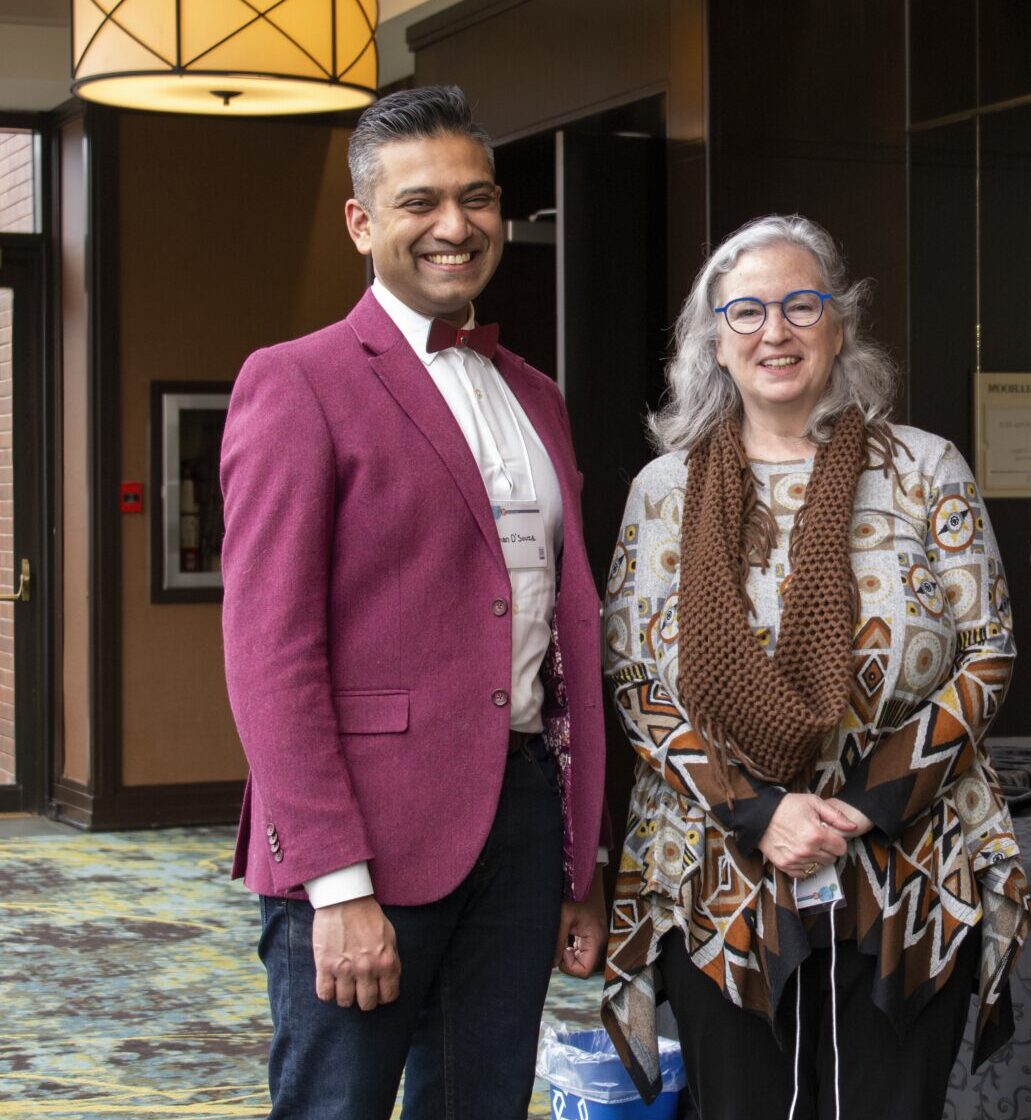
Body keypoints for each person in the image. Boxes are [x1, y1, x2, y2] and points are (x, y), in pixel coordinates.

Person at [220, 85, 609, 1119]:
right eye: (420, 201)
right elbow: (271, 654)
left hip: (520, 823)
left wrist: (577, 855)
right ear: (362, 221)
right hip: (363, 842)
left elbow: (560, 642)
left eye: (476, 198)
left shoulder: (536, 394)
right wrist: (336, 886)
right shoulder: (294, 382)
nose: (455, 225)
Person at [598, 214, 1031, 1119]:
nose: (776, 331)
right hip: (720, 873)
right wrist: (761, 812)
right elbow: (636, 680)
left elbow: (988, 652)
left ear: (840, 328)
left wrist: (861, 805)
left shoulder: (924, 469)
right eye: (748, 311)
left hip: (907, 861)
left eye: (803, 305)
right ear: (714, 340)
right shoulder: (661, 493)